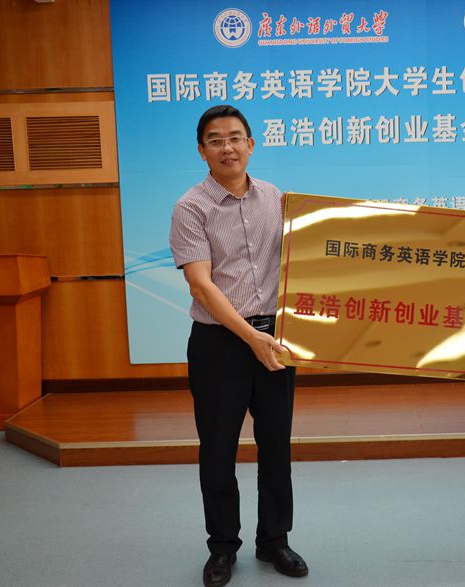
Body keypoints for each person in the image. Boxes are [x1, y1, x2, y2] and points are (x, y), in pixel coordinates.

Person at [170, 105, 308, 587]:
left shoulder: (277, 198)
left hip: (276, 340)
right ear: (202, 150)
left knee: (276, 447)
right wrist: (250, 337)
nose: (226, 147)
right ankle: (222, 548)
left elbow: (308, 260)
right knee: (218, 451)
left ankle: (274, 541)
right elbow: (201, 285)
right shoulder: (191, 208)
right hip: (220, 345)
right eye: (215, 140)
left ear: (251, 144)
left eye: (235, 138)